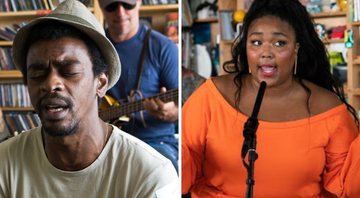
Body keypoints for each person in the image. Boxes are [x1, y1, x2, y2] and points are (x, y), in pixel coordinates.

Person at [0, 0, 178, 197]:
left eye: (69, 71)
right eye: (36, 74)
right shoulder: (4, 163)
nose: (51, 84)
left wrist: (171, 112)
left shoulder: (151, 176)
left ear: (101, 83)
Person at [182, 0, 359, 197]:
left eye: (279, 43)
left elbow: (347, 188)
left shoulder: (328, 109)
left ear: (296, 49)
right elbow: (181, 172)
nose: (266, 53)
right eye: (256, 42)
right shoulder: (211, 97)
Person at [98, 0, 179, 171]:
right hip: (104, 141)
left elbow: (188, 108)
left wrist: (172, 113)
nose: (120, 12)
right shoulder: (94, 48)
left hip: (156, 142)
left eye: (127, 5)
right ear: (101, 7)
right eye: (112, 6)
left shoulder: (164, 47)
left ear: (139, 3)